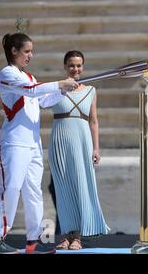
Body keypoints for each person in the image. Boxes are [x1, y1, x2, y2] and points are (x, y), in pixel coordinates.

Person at [0, 33, 79, 254]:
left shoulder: (29, 76)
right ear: (14, 51)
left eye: (31, 51)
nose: (30, 55)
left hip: (33, 145)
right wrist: (59, 82)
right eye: (27, 51)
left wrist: (62, 90)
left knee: (34, 193)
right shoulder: (7, 74)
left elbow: (42, 100)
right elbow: (31, 91)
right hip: (14, 144)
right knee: (10, 190)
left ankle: (33, 242)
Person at [48, 50, 109, 250]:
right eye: (72, 65)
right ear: (65, 66)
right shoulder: (56, 89)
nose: (76, 69)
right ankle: (65, 236)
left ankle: (78, 238)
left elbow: (93, 121)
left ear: (83, 67)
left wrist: (96, 148)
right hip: (60, 142)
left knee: (82, 187)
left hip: (82, 142)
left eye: (79, 65)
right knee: (63, 190)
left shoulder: (90, 90)